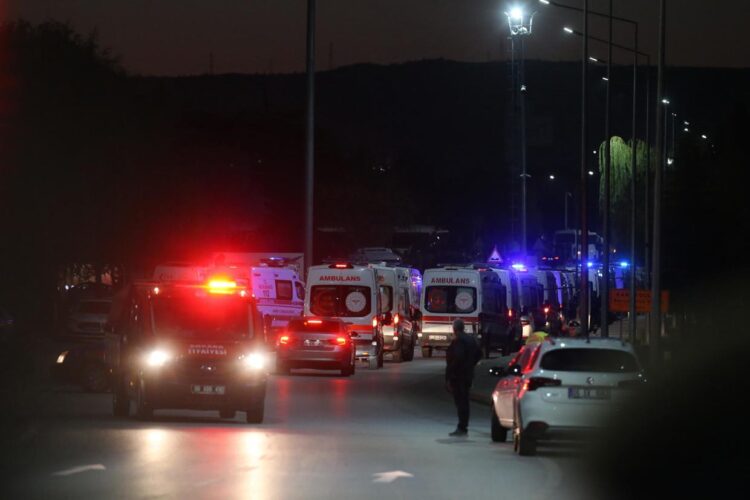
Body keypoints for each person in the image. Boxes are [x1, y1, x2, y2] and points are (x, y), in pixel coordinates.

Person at [445, 318, 481, 437]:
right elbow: (479, 354)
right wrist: (471, 364)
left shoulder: (459, 341)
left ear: (454, 329)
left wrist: (450, 373)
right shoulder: (470, 339)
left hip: (459, 375)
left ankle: (462, 427)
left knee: (461, 402)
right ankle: (463, 426)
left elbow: (457, 358)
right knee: (464, 401)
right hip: (467, 374)